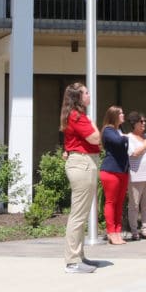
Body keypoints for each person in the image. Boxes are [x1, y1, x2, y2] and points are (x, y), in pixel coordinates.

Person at [60, 82, 101, 273]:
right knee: (78, 215)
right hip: (82, 164)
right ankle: (72, 261)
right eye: (85, 92)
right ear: (78, 97)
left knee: (81, 214)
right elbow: (95, 138)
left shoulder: (76, 116)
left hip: (84, 162)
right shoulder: (77, 116)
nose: (89, 94)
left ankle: (79, 256)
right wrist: (93, 123)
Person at [98, 106, 128, 245]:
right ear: (114, 115)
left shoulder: (120, 131)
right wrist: (127, 138)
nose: (123, 115)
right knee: (111, 202)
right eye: (120, 113)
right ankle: (111, 232)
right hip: (111, 171)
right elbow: (118, 142)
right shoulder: (108, 130)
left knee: (120, 203)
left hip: (122, 171)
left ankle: (118, 231)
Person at [126, 111, 146, 240]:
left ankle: (145, 229)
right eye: (141, 121)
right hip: (136, 176)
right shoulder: (129, 137)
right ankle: (134, 231)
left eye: (145, 121)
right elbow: (133, 153)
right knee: (134, 204)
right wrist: (144, 145)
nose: (144, 124)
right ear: (134, 123)